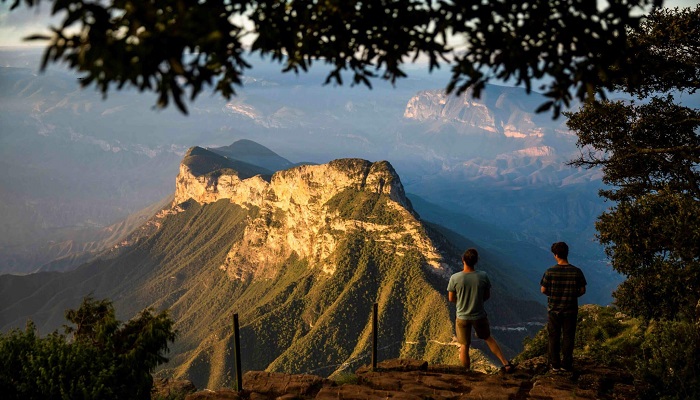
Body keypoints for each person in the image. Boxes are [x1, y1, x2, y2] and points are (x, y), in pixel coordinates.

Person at [447, 248, 514, 373]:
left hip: (462, 317)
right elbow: (487, 295)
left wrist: (461, 302)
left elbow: (451, 298)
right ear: (476, 261)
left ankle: (467, 372)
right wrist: (476, 301)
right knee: (488, 338)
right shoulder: (483, 276)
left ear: (463, 260)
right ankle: (505, 363)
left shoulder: (454, 278)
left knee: (464, 345)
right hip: (479, 315)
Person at [540, 242, 587, 372]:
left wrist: (554, 294)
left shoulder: (550, 272)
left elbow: (543, 290)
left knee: (554, 336)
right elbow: (582, 290)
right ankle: (566, 364)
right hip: (571, 309)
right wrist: (572, 295)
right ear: (567, 253)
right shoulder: (576, 272)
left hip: (554, 309)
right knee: (568, 336)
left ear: (556, 255)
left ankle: (554, 364)